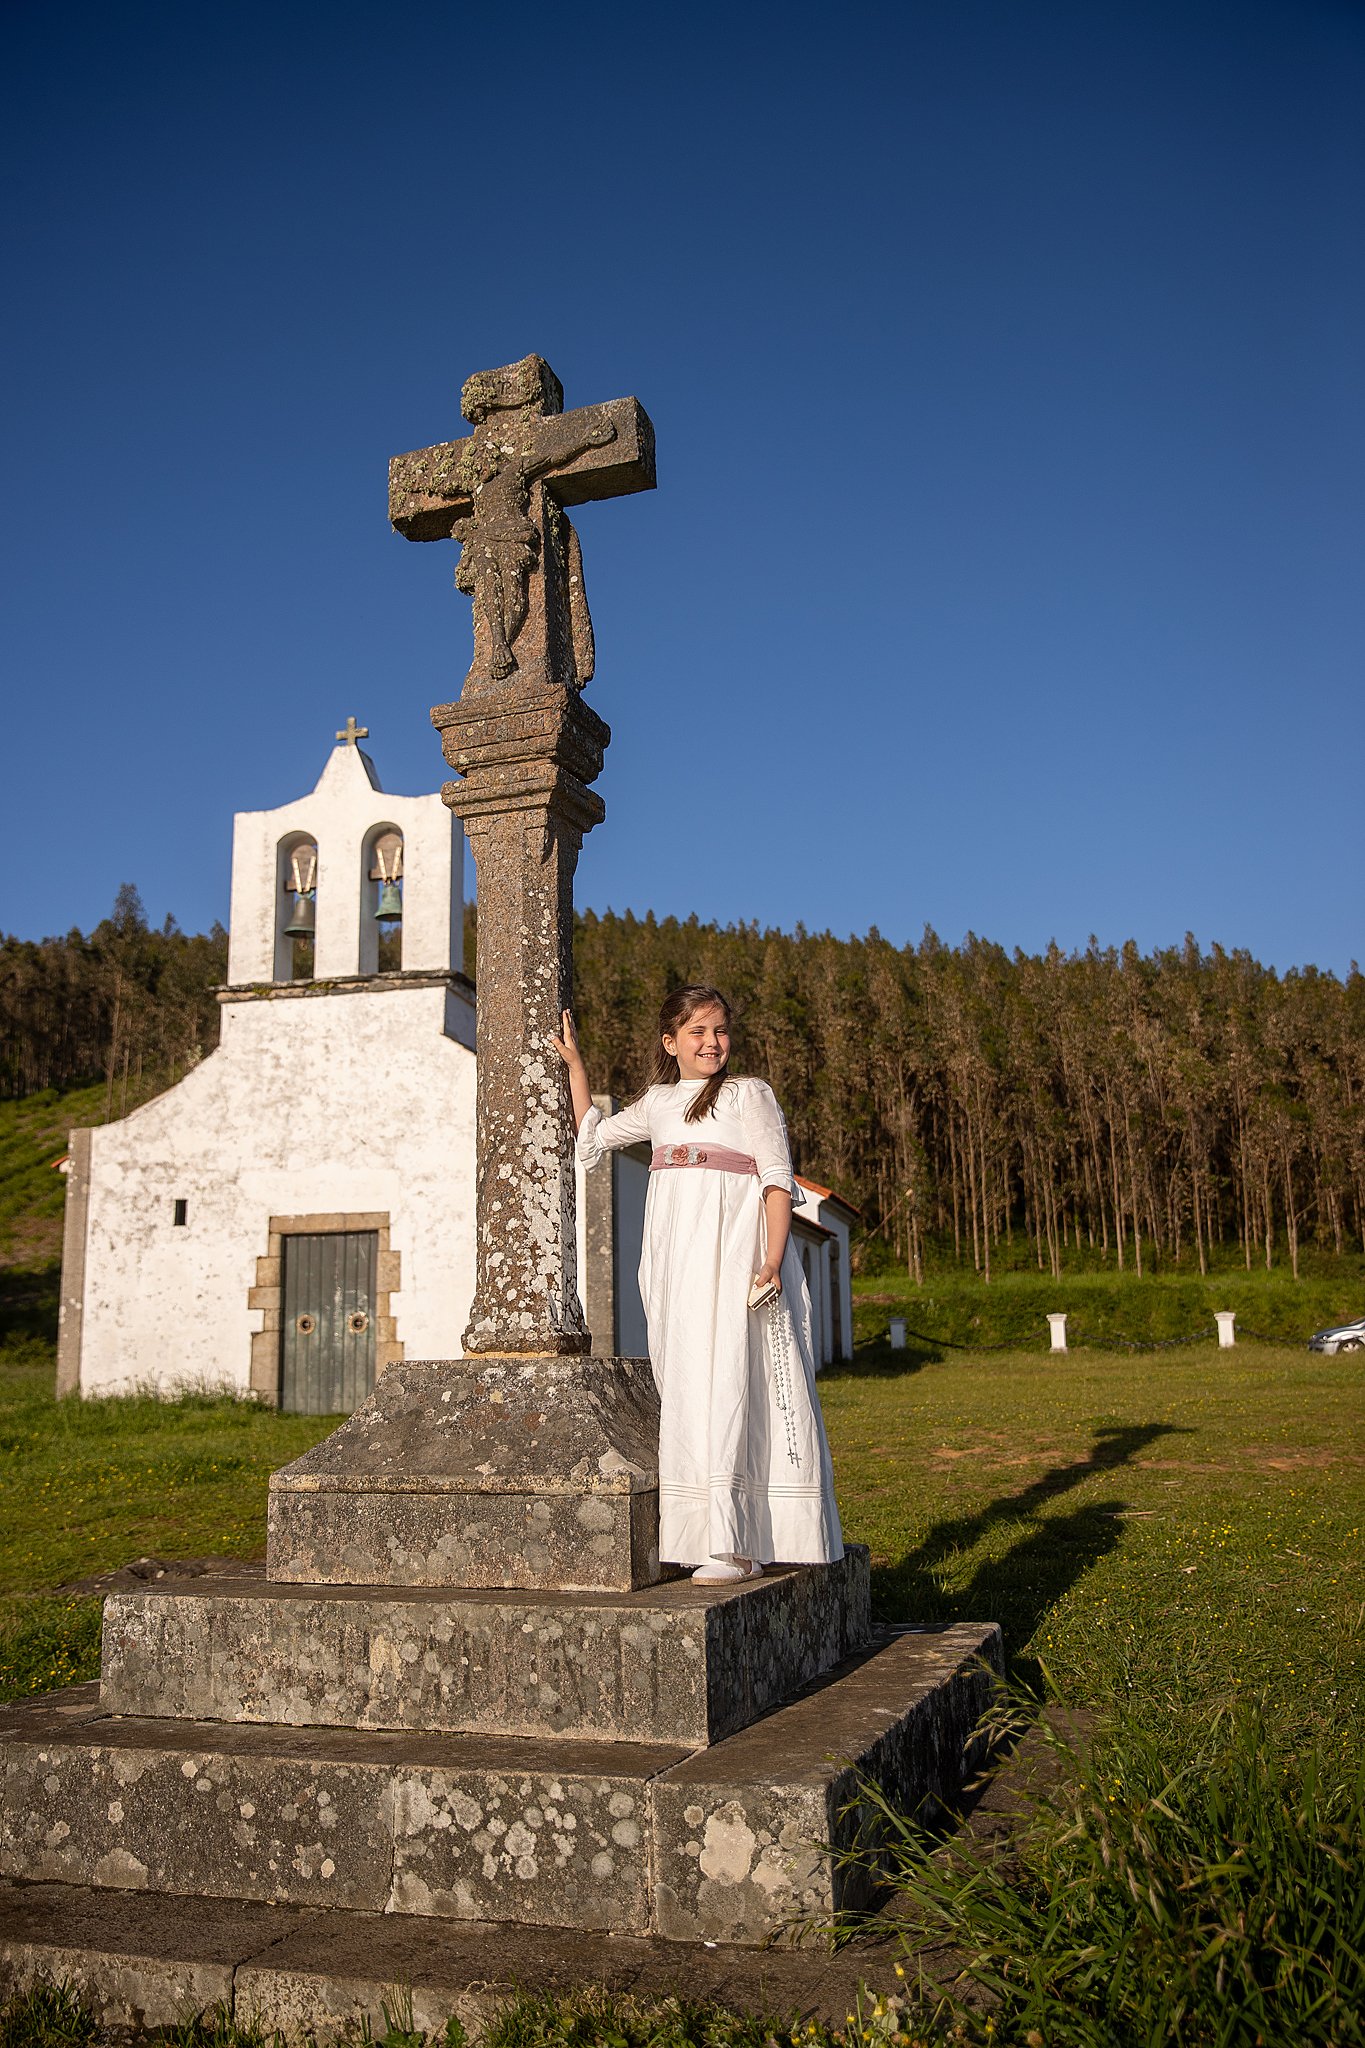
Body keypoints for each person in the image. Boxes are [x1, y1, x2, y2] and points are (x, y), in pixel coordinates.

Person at [551, 986, 843, 1586]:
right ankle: (707, 1536)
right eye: (697, 1033)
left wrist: (773, 1256)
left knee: (734, 1379)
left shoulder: (748, 1095)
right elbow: (593, 1137)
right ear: (671, 1042)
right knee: (686, 1384)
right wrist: (577, 1067)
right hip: (674, 1263)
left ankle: (740, 1542)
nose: (711, 1043)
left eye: (720, 1031)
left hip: (734, 1255)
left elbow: (777, 1179)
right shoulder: (658, 1104)